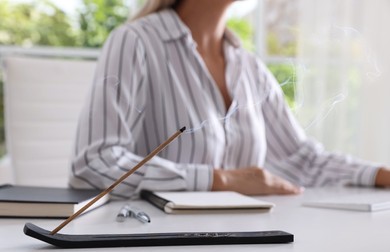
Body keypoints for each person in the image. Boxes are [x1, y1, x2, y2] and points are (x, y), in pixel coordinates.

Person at [69, 0, 390, 199]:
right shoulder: (135, 42)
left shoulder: (249, 67)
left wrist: (381, 175)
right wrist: (219, 180)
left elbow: (302, 160)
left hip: (241, 240)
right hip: (157, 242)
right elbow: (94, 161)